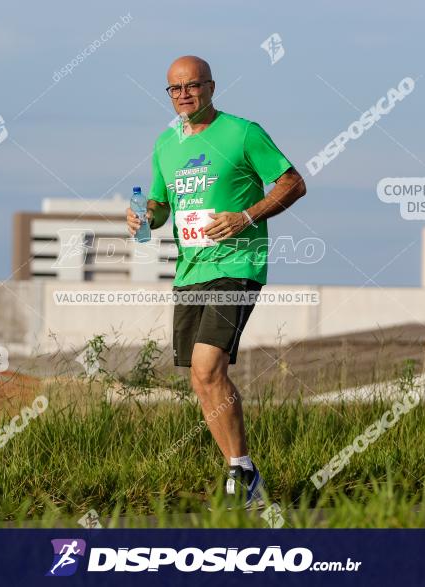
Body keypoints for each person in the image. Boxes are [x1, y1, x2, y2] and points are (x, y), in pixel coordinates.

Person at [126, 56, 306, 508]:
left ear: (211, 87)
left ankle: (241, 475)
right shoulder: (165, 144)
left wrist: (246, 216)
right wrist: (145, 217)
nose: (184, 94)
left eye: (193, 85)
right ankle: (242, 473)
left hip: (237, 264)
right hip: (191, 270)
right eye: (174, 89)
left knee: (209, 367)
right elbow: (162, 208)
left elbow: (292, 184)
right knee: (201, 380)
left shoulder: (243, 132)